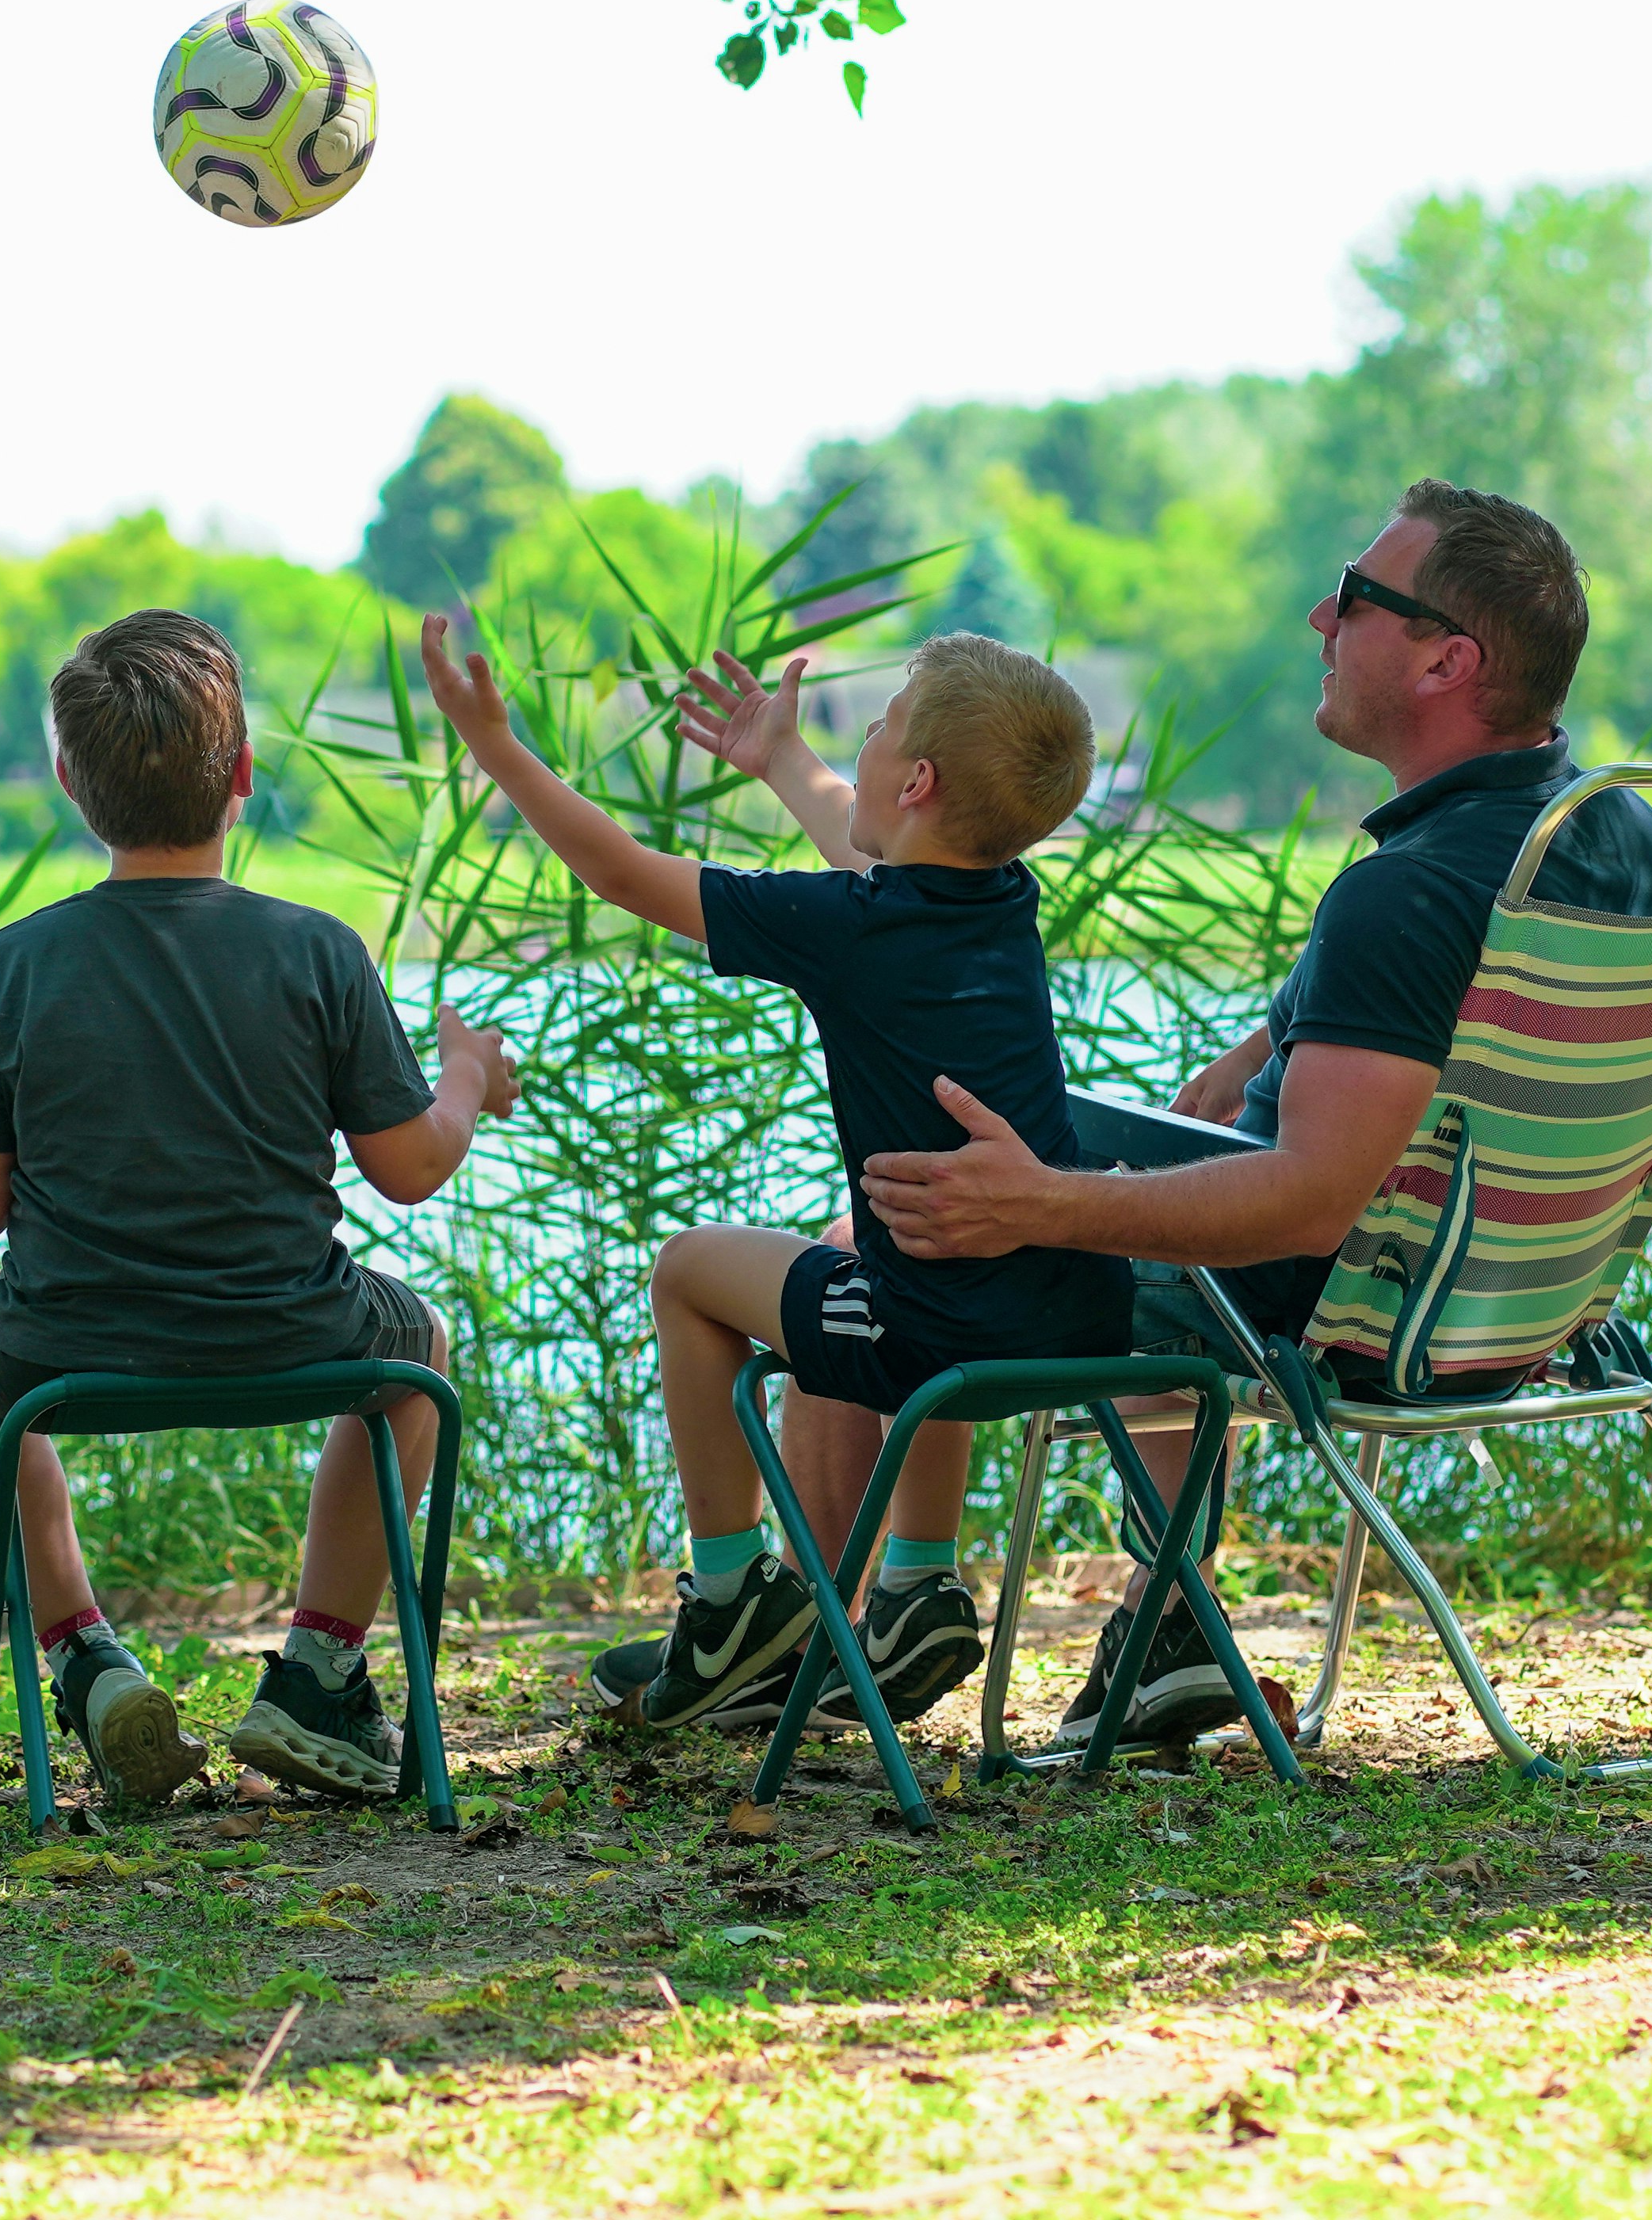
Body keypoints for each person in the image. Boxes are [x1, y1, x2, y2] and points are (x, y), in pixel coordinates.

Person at [857, 479, 1652, 1749]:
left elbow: (1307, 1202)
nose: (1320, 614)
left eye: (1357, 598)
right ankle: (1166, 1622)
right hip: (1533, 1303)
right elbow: (1448, 1024)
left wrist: (1054, 1203)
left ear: (1445, 660)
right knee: (1112, 1187)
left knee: (923, 1225)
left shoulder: (1402, 894)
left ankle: (882, 1601)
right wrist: (1280, 1034)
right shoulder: (1611, 838)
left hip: (1362, 1315)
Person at [418, 614, 1126, 1732]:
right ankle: (914, 1585)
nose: (871, 744)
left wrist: (497, 748)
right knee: (878, 1243)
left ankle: (730, 1591)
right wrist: (782, 761)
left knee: (689, 1270)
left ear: (920, 778)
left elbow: (618, 872)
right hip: (1067, 1309)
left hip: (939, 1338)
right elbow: (870, 838)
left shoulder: (848, 924)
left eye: (882, 728)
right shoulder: (999, 898)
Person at [0, 609, 516, 1806]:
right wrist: (464, 1081)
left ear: (69, 786)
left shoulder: (14, 963)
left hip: (61, 1347)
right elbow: (408, 1169)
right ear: (241, 774)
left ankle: (82, 1655)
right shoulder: (317, 951)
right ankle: (317, 1668)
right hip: (291, 1335)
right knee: (417, 1358)